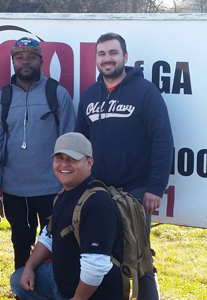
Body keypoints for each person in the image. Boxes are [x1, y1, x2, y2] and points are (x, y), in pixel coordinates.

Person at [75, 32, 174, 300]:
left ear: (125, 57)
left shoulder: (145, 92)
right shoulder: (89, 95)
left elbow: (163, 141)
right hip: (98, 191)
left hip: (136, 191)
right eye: (102, 54)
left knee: (138, 256)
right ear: (96, 59)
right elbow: (79, 145)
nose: (107, 59)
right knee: (102, 255)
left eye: (113, 53)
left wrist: (155, 187)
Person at [0, 37, 76, 272]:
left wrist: (71, 188)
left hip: (53, 190)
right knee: (21, 246)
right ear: (13, 61)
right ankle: (23, 292)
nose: (26, 62)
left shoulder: (57, 94)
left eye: (32, 57)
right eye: (19, 57)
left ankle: (54, 291)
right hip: (15, 192)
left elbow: (70, 145)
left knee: (58, 247)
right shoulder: (2, 99)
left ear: (41, 61)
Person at [10, 132, 123, 300]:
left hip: (91, 294)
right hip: (61, 283)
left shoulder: (97, 204)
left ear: (89, 162)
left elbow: (95, 266)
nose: (64, 164)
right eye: (59, 157)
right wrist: (29, 267)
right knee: (18, 279)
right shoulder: (64, 194)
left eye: (72, 158)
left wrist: (77, 298)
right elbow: (48, 236)